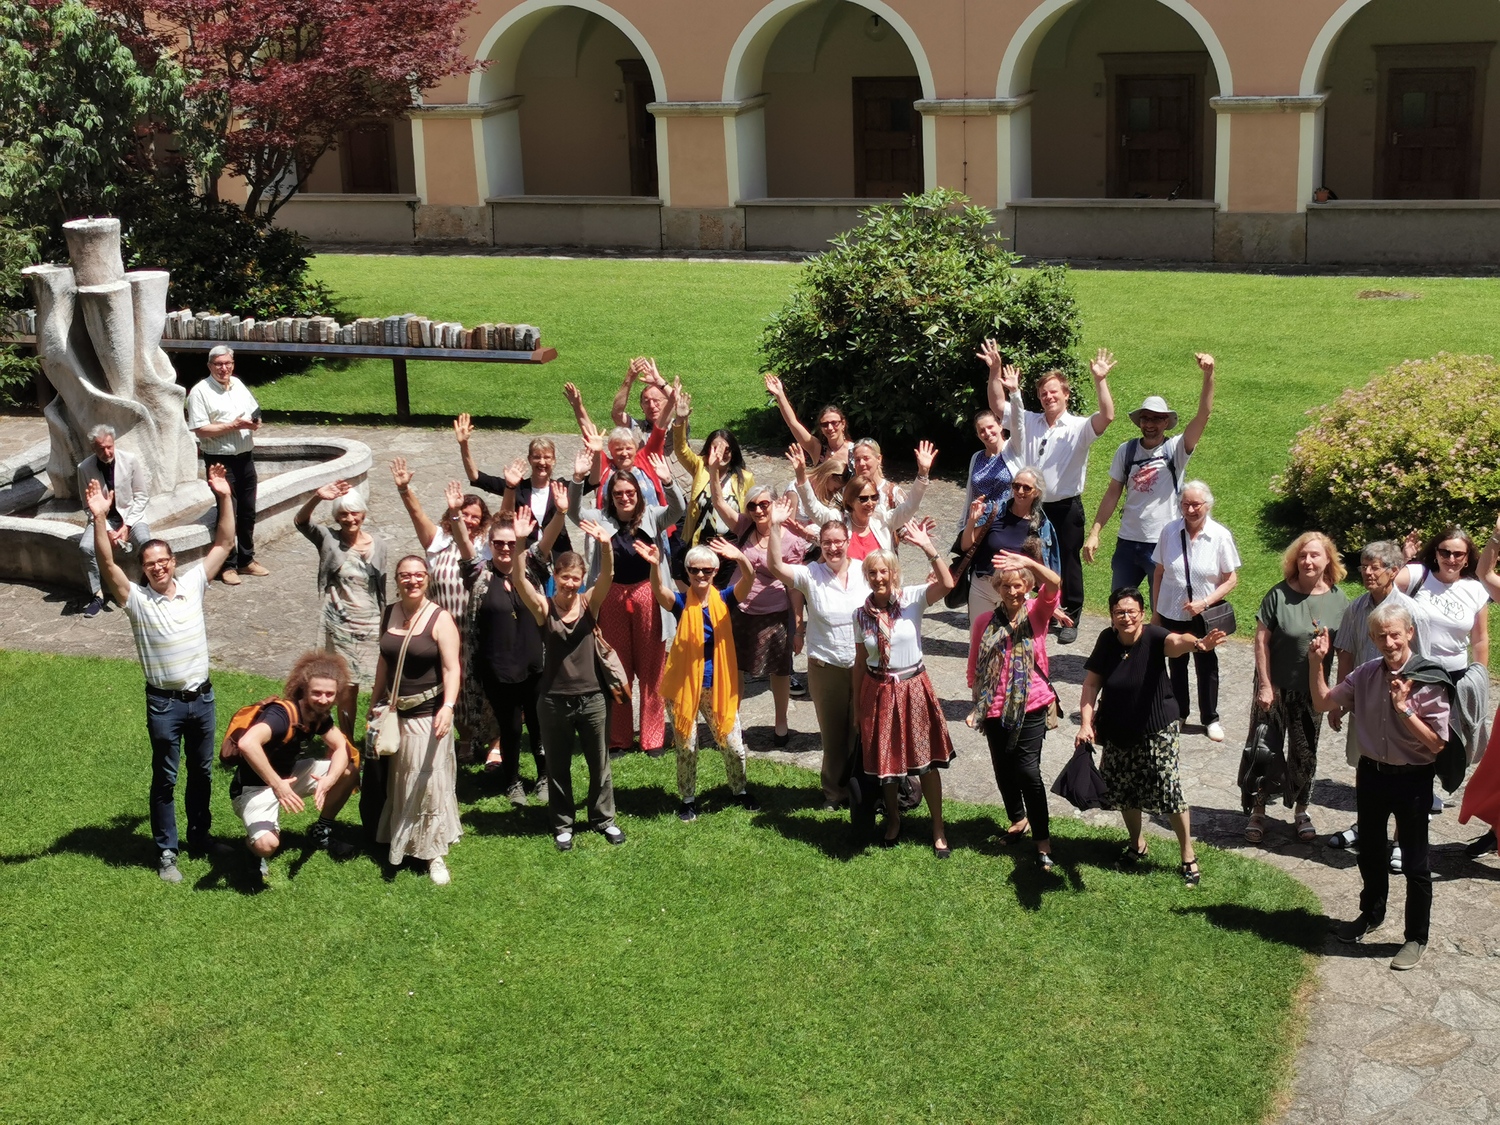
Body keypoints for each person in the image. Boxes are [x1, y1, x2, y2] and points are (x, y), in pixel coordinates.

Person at [84, 463, 236, 883]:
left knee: (202, 773)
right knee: (166, 778)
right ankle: (167, 851)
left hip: (202, 699)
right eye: (150, 563)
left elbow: (225, 541)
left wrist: (224, 496)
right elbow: (106, 562)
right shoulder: (136, 600)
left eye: (163, 560)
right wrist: (99, 518)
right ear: (144, 568)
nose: (157, 567)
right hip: (164, 704)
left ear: (173, 561)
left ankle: (200, 836)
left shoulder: (194, 584)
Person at [1308, 604, 1450, 971]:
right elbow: (1322, 702)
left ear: (1409, 633)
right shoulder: (1365, 674)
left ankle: (1416, 937)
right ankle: (1370, 915)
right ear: (1372, 638)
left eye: (1395, 634)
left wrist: (1404, 708)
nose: (1389, 642)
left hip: (1413, 779)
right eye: (1381, 636)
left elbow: (1437, 744)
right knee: (1370, 853)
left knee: (1415, 863)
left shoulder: (1430, 678)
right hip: (1371, 774)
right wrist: (1316, 663)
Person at [1078, 587, 1226, 885]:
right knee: (1124, 789)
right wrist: (1085, 724)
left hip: (1158, 727)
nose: (1126, 617)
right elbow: (1092, 684)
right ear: (1111, 616)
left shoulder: (1155, 636)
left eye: (1131, 611)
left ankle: (1187, 854)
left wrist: (1199, 644)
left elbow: (1177, 642)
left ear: (1142, 614)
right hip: (1118, 728)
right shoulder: (1107, 640)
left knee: (1168, 789)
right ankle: (1137, 844)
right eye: (1119, 612)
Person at [980, 341, 1117, 641]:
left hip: (1065, 506)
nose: (1048, 397)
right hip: (1032, 504)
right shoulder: (1029, 420)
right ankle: (1040, 609)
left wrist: (1100, 380)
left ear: (1066, 394)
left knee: (1068, 560)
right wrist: (994, 370)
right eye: (1043, 393)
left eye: (1054, 392)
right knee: (1033, 556)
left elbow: (1107, 416)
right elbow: (998, 406)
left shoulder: (1079, 426)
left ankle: (1071, 618)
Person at [512, 518, 623, 851]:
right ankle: (563, 824)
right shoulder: (543, 608)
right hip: (553, 701)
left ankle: (603, 819)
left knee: (599, 763)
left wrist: (606, 545)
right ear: (555, 577)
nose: (570, 584)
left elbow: (608, 577)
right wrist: (520, 543)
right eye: (565, 578)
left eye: (576, 578)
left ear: (582, 579)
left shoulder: (590, 603)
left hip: (593, 698)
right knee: (557, 766)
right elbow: (519, 580)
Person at [568, 444, 685, 756]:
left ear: (638, 493)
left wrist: (668, 481)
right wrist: (578, 479)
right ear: (611, 495)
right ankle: (619, 737)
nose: (624, 497)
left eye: (629, 492)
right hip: (612, 596)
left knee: (652, 668)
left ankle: (652, 738)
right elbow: (574, 513)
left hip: (648, 593)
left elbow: (678, 510)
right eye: (618, 493)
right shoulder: (600, 518)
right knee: (617, 668)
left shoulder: (653, 517)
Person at [453, 485, 565, 804]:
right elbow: (463, 544)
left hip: (535, 664)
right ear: (490, 545)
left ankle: (544, 777)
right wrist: (456, 514)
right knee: (511, 728)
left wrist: (561, 512)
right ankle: (513, 781)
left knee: (539, 726)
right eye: (499, 543)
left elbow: (548, 541)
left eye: (511, 543)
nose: (505, 548)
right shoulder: (480, 574)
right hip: (498, 669)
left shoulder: (531, 568)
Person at [853, 522, 956, 855]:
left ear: (893, 573)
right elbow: (859, 663)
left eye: (883, 571)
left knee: (926, 761)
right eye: (872, 573)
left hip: (913, 688)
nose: (878, 577)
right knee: (887, 762)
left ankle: (938, 827)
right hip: (878, 690)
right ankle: (893, 820)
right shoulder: (860, 616)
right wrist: (857, 707)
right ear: (866, 577)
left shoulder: (912, 598)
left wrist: (928, 547)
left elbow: (948, 584)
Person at [390, 458, 499, 767]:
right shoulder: (437, 540)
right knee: (455, 681)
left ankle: (495, 740)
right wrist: (405, 489)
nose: (469, 520)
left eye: (475, 516)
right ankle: (465, 737)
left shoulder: (485, 544)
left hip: (480, 626)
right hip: (446, 627)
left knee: (488, 682)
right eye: (464, 514)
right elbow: (416, 514)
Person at [1326, 540, 1432, 851]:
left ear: (1394, 571)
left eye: (1375, 568)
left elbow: (1425, 663)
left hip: (1401, 706)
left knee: (1403, 769)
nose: (1368, 573)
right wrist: (1338, 702)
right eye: (1364, 567)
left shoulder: (1411, 612)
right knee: (1365, 765)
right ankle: (1367, 827)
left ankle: (1400, 841)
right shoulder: (1356, 608)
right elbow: (1346, 652)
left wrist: (1412, 704)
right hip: (1365, 704)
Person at [643, 538, 759, 821]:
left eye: (707, 570)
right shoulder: (682, 602)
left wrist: (740, 557)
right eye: (694, 570)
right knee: (687, 746)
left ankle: (739, 790)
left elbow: (749, 580)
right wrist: (655, 565)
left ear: (715, 572)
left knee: (733, 745)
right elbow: (659, 592)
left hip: (719, 684)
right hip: (683, 686)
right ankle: (688, 799)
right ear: (687, 572)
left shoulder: (726, 598)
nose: (700, 575)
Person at [1085, 353, 1217, 603]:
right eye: (1145, 418)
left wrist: (1208, 375)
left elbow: (1203, 415)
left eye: (1156, 418)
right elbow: (1112, 493)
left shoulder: (1176, 449)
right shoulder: (1126, 451)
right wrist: (1095, 532)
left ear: (1166, 422)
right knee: (1120, 606)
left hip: (1164, 542)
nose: (1150, 424)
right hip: (1127, 542)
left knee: (1162, 609)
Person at [766, 496, 869, 809]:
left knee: (860, 730)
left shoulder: (865, 571)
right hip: (826, 666)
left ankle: (863, 792)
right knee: (833, 733)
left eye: (838, 542)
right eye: (827, 543)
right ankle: (834, 792)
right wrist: (774, 526)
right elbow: (776, 567)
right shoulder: (811, 574)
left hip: (864, 665)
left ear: (848, 542)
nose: (833, 548)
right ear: (820, 545)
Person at [1248, 531, 1349, 844]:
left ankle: (1301, 810)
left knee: (1305, 753)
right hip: (1275, 687)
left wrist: (1338, 698)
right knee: (1265, 750)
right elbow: (1261, 640)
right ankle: (1258, 810)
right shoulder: (1278, 594)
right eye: (1302, 555)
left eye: (1315, 555)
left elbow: (1345, 651)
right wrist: (1265, 685)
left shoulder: (1339, 600)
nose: (1308, 561)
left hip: (1312, 691)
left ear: (1327, 560)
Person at [967, 549, 1065, 871]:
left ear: (1027, 587)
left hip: (1032, 704)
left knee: (1028, 771)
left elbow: (1055, 584)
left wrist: (1029, 564)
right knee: (1004, 769)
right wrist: (976, 704)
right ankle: (1018, 818)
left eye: (1018, 585)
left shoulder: (1037, 613)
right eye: (1006, 586)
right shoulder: (984, 621)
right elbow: (974, 664)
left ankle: (1043, 841)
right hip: (994, 707)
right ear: (998, 588)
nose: (1012, 591)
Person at [368, 553, 463, 884]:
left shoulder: (440, 619)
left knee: (427, 782)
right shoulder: (389, 613)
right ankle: (402, 838)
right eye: (405, 575)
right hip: (394, 715)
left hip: (427, 714)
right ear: (397, 580)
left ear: (428, 579)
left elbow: (452, 668)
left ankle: (433, 853)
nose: (412, 580)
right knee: (399, 779)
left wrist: (448, 706)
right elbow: (384, 661)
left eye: (419, 574)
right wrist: (374, 702)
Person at [229, 651, 361, 877]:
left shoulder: (319, 714)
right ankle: (252, 851)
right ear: (304, 690)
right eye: (316, 693)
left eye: (329, 694)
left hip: (288, 778)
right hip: (254, 789)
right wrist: (278, 785)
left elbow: (342, 746)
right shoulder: (281, 716)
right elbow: (247, 743)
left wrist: (329, 780)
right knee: (267, 845)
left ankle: (320, 832)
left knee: (349, 770)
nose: (323, 700)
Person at [1397, 522, 1498, 767]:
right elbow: (1385, 585)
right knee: (1414, 733)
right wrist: (1404, 559)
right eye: (1445, 552)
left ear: (1467, 558)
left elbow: (1480, 638)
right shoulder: (1418, 575)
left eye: (1458, 554)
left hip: (1455, 676)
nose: (1451, 559)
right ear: (1436, 553)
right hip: (1417, 672)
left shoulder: (1475, 589)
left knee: (1449, 737)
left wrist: (1479, 677)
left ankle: (1441, 778)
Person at [294, 480, 387, 739]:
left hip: (371, 625)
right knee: (347, 685)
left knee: (380, 683)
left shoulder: (379, 544)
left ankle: (376, 737)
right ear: (336, 517)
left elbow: (379, 588)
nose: (349, 519)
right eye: (343, 514)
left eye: (354, 513)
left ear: (363, 514)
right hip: (340, 625)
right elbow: (301, 522)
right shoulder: (329, 539)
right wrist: (317, 497)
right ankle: (345, 741)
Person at [1149, 481, 1241, 743]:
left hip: (1204, 615)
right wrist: (1156, 611)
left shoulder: (1219, 535)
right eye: (1185, 504)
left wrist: (1205, 602)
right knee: (1176, 663)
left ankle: (1210, 718)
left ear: (1207, 505)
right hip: (1171, 611)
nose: (1190, 510)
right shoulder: (1169, 531)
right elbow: (1159, 572)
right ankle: (1180, 713)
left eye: (1196, 504)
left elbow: (1231, 579)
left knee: (1206, 665)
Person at [185, 345, 266, 585]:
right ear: (210, 366)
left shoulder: (238, 384)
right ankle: (227, 565)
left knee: (248, 511)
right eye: (219, 364)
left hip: (245, 457)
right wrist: (233, 426)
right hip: (221, 461)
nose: (224, 368)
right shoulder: (200, 392)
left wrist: (255, 423)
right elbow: (200, 429)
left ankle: (246, 560)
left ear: (233, 364)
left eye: (228, 363)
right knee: (228, 512)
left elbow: (255, 411)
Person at [732, 485, 805, 746]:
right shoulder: (745, 527)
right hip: (741, 610)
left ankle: (781, 722)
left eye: (764, 504)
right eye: (752, 505)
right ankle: (732, 722)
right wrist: (715, 472)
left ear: (775, 504)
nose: (758, 510)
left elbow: (794, 587)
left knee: (780, 670)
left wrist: (798, 628)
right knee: (735, 668)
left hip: (775, 612)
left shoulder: (792, 541)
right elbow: (718, 503)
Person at [791, 440, 936, 562]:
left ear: (879, 459)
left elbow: (910, 507)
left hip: (881, 581)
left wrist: (923, 474)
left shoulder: (884, 517)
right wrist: (801, 475)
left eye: (874, 497)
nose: (870, 503)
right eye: (863, 498)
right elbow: (814, 508)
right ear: (850, 501)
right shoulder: (841, 514)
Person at [454, 417, 571, 559]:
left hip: (559, 558)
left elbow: (592, 481)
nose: (542, 462)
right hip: (523, 556)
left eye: (547, 457)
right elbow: (475, 477)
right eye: (536, 457)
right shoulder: (516, 486)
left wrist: (584, 468)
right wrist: (464, 445)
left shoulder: (562, 489)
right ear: (529, 459)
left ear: (554, 460)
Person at [670, 387, 754, 579]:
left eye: (726, 450)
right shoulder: (700, 467)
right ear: (708, 450)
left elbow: (749, 515)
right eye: (715, 449)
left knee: (725, 592)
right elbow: (681, 449)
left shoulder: (745, 478)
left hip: (730, 545)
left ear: (733, 452)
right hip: (700, 543)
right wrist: (680, 421)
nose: (721, 454)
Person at [959, 465, 1060, 622]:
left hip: (1016, 592)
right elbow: (965, 546)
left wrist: (1051, 604)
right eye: (1016, 486)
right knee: (979, 635)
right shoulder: (994, 512)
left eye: (1026, 488)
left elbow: (1047, 572)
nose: (1020, 491)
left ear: (1037, 492)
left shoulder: (1042, 526)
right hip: (983, 587)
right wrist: (972, 521)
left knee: (1011, 637)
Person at [76, 423, 151, 618]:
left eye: (109, 446)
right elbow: (87, 507)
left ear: (114, 442)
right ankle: (97, 595)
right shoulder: (84, 468)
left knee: (146, 543)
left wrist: (127, 525)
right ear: (93, 448)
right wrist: (107, 529)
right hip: (100, 519)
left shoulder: (130, 460)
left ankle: (147, 586)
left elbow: (141, 496)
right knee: (85, 548)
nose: (107, 452)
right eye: (101, 448)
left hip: (131, 517)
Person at [764, 372, 852, 473]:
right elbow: (792, 423)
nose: (830, 428)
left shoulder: (855, 451)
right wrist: (780, 394)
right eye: (825, 424)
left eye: (834, 423)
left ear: (843, 424)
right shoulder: (817, 449)